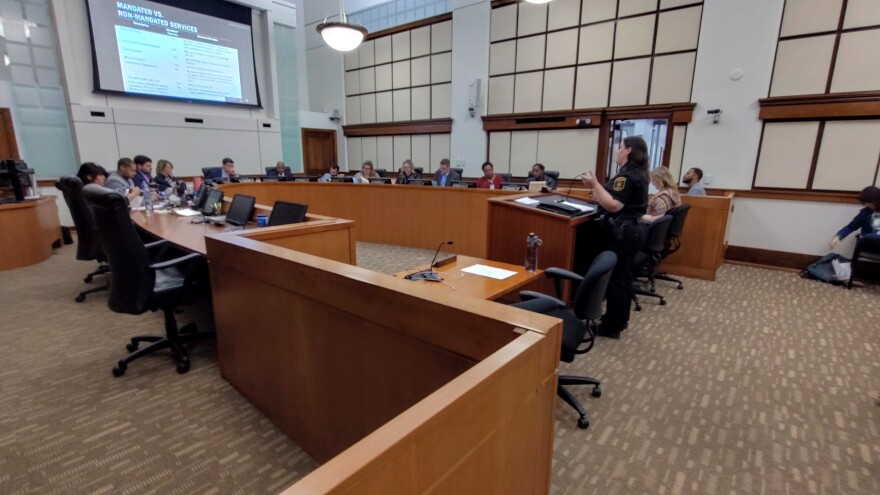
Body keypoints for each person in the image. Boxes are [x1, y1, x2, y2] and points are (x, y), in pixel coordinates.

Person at [580, 136, 649, 340]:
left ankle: (611, 326)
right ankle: (620, 320)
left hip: (623, 233)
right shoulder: (638, 174)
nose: (617, 151)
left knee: (616, 279)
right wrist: (599, 190)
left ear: (628, 150)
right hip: (633, 230)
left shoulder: (625, 176)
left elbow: (614, 206)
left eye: (619, 148)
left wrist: (594, 184)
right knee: (624, 277)